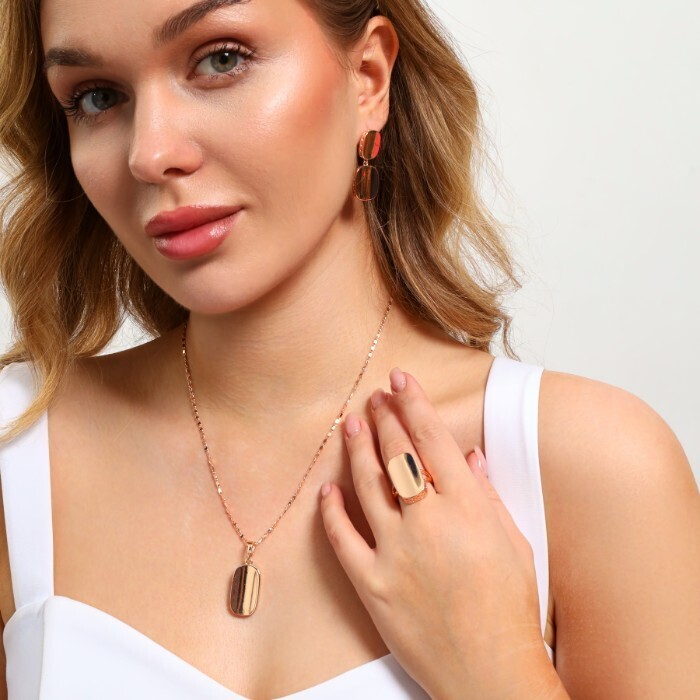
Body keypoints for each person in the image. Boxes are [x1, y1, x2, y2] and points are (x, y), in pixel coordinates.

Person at [0, 0, 697, 698]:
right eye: (97, 97)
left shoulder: (598, 473)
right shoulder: (17, 450)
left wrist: (497, 666)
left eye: (221, 60)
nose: (150, 153)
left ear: (368, 77)